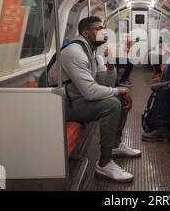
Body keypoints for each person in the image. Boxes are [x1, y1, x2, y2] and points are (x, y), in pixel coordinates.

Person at [48, 16, 141, 183]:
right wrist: (121, 89)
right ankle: (104, 164)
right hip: (59, 105)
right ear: (85, 33)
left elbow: (105, 83)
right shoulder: (75, 52)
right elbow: (91, 92)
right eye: (98, 28)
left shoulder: (91, 51)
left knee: (117, 99)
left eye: (103, 27)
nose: (103, 31)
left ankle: (115, 145)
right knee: (112, 104)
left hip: (76, 100)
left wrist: (111, 64)